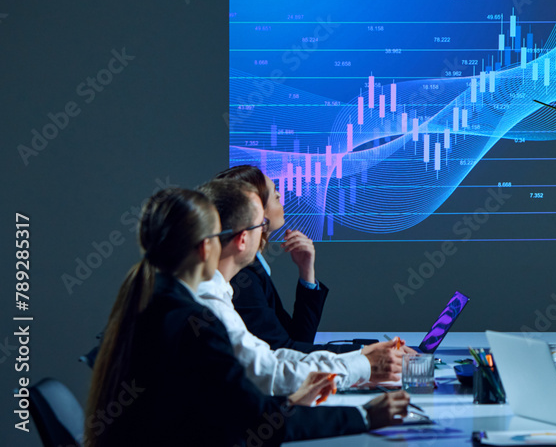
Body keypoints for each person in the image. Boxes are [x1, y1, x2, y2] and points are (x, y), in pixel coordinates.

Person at [85, 187, 409, 447]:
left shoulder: (150, 298)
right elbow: (258, 424)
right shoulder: (195, 321)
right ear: (204, 248)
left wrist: (290, 402)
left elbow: (232, 406)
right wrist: (365, 417)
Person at [195, 179, 403, 394]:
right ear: (243, 238)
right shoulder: (216, 298)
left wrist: (362, 357)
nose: (264, 232)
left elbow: (274, 355)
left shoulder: (220, 291)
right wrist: (364, 365)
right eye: (260, 224)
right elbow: (272, 371)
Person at [216, 165, 346, 353]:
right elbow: (282, 351)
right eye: (276, 195)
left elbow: (298, 339)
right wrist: (364, 354)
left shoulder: (254, 268)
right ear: (256, 210)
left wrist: (306, 272)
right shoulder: (242, 277)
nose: (281, 200)